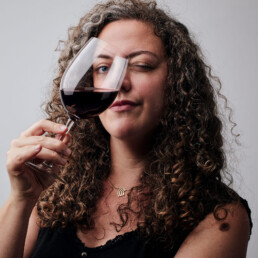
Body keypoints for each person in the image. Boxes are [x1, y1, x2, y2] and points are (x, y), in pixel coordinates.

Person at [0, 0, 252, 257]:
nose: (119, 82)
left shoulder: (219, 216)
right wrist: (21, 200)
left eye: (141, 65)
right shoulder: (53, 189)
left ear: (176, 82)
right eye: (103, 68)